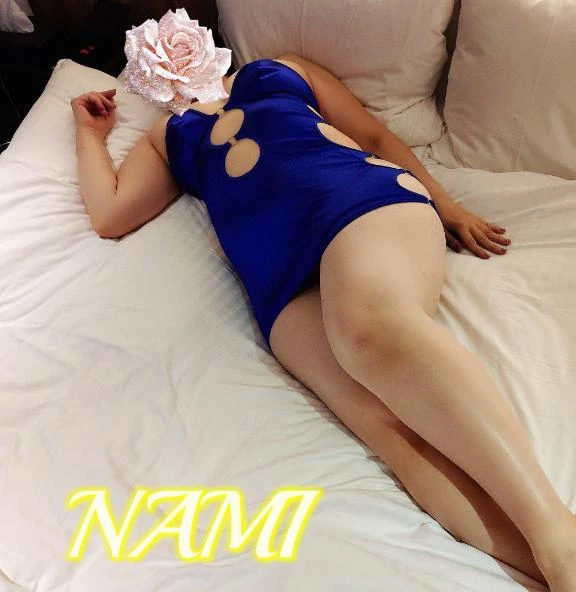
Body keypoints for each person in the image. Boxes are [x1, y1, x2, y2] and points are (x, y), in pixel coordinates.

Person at [71, 54, 575, 591]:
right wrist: (89, 134)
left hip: (355, 202)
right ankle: (547, 573)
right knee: (388, 426)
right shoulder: (164, 136)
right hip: (278, 279)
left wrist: (448, 205)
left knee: (368, 329)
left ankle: (560, 540)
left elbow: (372, 135)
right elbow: (110, 214)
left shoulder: (279, 67)